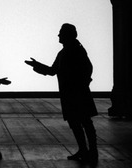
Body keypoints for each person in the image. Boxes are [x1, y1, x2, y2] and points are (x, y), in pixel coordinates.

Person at [25, 23, 98, 163]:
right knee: (79, 122)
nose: (58, 35)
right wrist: (37, 65)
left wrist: (37, 66)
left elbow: (54, 71)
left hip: (75, 93)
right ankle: (87, 151)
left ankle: (89, 151)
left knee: (81, 122)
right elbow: (55, 70)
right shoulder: (70, 51)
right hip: (75, 93)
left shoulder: (72, 51)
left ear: (67, 35)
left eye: (61, 33)